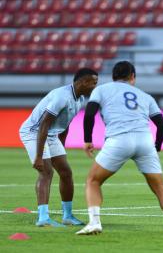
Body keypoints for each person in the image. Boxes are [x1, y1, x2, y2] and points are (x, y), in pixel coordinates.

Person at [76, 61, 163, 235]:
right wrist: (156, 146)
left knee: (93, 181)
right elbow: (162, 126)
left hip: (119, 139)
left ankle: (94, 222)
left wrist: (88, 140)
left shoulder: (101, 89)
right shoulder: (145, 96)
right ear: (133, 77)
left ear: (113, 77)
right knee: (160, 187)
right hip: (144, 141)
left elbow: (89, 114)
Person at [19, 68, 99, 227]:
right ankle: (43, 218)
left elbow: (65, 124)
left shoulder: (80, 98)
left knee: (66, 173)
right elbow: (44, 124)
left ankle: (67, 216)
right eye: (93, 83)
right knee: (46, 172)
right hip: (34, 132)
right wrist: (39, 156)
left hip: (51, 134)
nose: (95, 87)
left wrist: (61, 147)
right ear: (83, 82)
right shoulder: (62, 96)